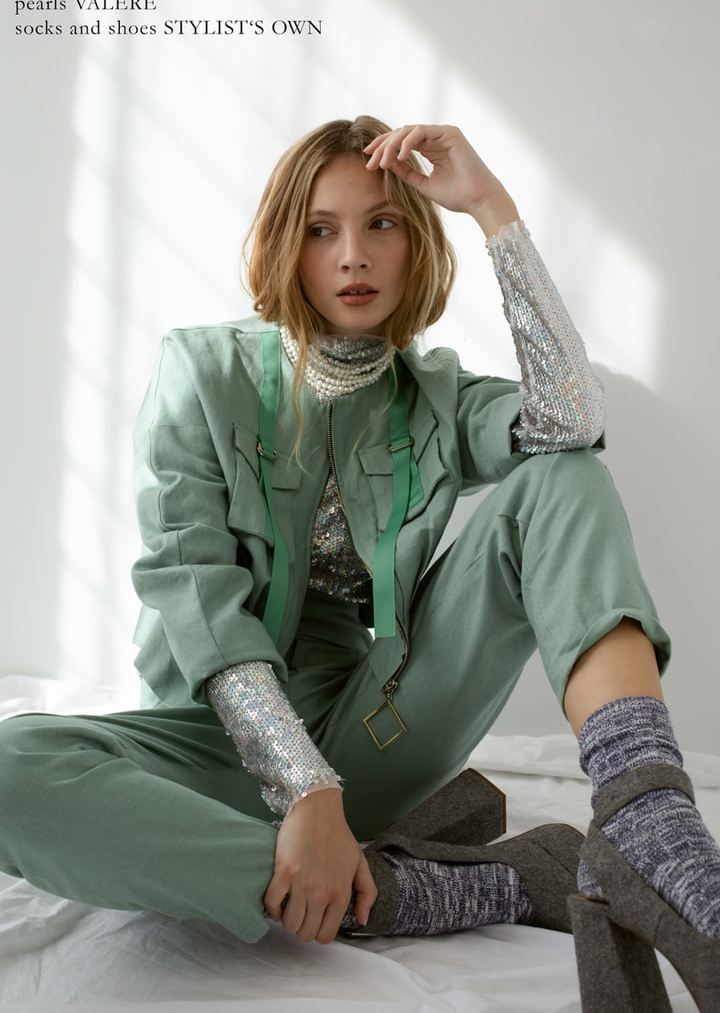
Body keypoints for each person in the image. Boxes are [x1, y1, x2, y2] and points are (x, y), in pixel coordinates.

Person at [0, 119, 718, 1011]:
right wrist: (302, 787)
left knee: (563, 473)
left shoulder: (439, 395)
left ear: (416, 244)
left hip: (378, 727)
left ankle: (649, 821)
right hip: (207, 745)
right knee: (10, 766)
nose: (353, 256)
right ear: (285, 243)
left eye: (382, 224)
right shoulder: (201, 371)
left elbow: (570, 421)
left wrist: (490, 208)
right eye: (320, 229)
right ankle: (429, 889)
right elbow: (198, 601)